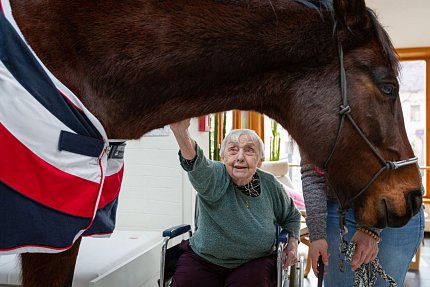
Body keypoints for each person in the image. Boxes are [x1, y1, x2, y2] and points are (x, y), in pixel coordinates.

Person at [170, 119, 301, 287]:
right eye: (233, 150)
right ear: (223, 157)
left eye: (249, 151)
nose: (240, 157)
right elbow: (196, 163)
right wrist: (181, 133)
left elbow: (291, 216)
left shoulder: (270, 184)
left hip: (254, 262)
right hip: (204, 260)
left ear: (260, 159)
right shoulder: (214, 176)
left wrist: (292, 243)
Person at [300, 151, 425, 286]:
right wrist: (317, 234)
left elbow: (393, 159)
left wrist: (370, 228)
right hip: (340, 208)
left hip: (396, 202)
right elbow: (312, 173)